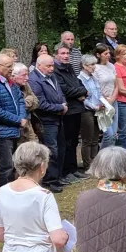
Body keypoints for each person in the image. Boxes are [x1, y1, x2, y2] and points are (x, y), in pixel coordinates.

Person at [0, 53, 27, 187]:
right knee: (6, 166)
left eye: (12, 65)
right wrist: (18, 120)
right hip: (3, 131)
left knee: (16, 164)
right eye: (9, 66)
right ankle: (4, 195)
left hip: (15, 129)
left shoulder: (9, 81)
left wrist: (22, 117)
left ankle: (15, 190)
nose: (12, 69)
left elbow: (20, 99)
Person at [30, 54, 69, 192]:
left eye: (52, 65)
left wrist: (63, 103)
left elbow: (60, 93)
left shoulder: (52, 76)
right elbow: (40, 103)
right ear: (39, 65)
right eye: (48, 66)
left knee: (61, 148)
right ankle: (50, 180)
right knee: (51, 150)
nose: (52, 68)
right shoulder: (34, 80)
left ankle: (58, 176)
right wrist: (60, 108)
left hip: (58, 118)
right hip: (46, 120)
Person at [54, 44, 88, 183]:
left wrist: (82, 91)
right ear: (56, 55)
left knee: (74, 141)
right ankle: (66, 171)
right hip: (67, 111)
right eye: (62, 53)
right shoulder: (56, 70)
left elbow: (79, 84)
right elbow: (65, 90)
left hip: (77, 109)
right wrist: (80, 92)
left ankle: (73, 169)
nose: (66, 56)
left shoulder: (69, 68)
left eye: (67, 53)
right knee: (67, 142)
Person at [91, 45, 119, 153]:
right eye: (105, 54)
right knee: (109, 134)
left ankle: (109, 158)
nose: (108, 56)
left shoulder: (111, 66)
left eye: (109, 53)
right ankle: (101, 158)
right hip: (102, 102)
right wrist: (106, 100)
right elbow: (96, 87)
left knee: (114, 134)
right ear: (98, 55)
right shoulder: (96, 68)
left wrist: (112, 98)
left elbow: (116, 85)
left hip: (113, 100)